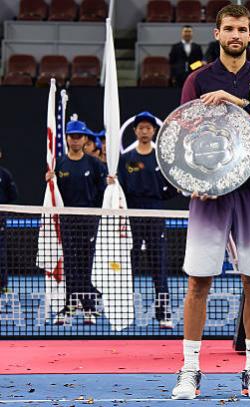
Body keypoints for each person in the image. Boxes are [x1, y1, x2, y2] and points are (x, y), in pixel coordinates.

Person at [172, 4, 250, 400]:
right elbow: (182, 133)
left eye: (242, 29)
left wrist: (236, 102)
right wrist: (192, 181)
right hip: (210, 194)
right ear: (217, 33)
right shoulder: (197, 79)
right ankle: (189, 370)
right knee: (198, 282)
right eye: (229, 29)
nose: (236, 35)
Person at [109, 111, 177, 329]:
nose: (145, 131)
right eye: (141, 128)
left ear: (154, 131)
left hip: (155, 214)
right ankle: (123, 312)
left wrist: (159, 197)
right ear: (135, 131)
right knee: (130, 265)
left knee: (159, 265)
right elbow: (119, 189)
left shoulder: (161, 156)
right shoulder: (127, 158)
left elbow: (173, 185)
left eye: (148, 128)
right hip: (132, 216)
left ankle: (163, 313)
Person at [45, 120, 107, 325]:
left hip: (89, 220)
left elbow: (103, 190)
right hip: (67, 221)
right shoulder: (59, 164)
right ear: (67, 139)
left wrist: (111, 184)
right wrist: (50, 181)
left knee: (85, 264)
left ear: (85, 139)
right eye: (72, 136)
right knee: (71, 265)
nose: (75, 140)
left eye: (79, 136)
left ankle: (89, 307)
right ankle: (70, 307)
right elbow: (55, 194)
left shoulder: (95, 164)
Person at [0, 147, 18, 293]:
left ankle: (3, 285)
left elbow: (13, 195)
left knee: (1, 253)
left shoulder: (5, 175)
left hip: (0, 218)